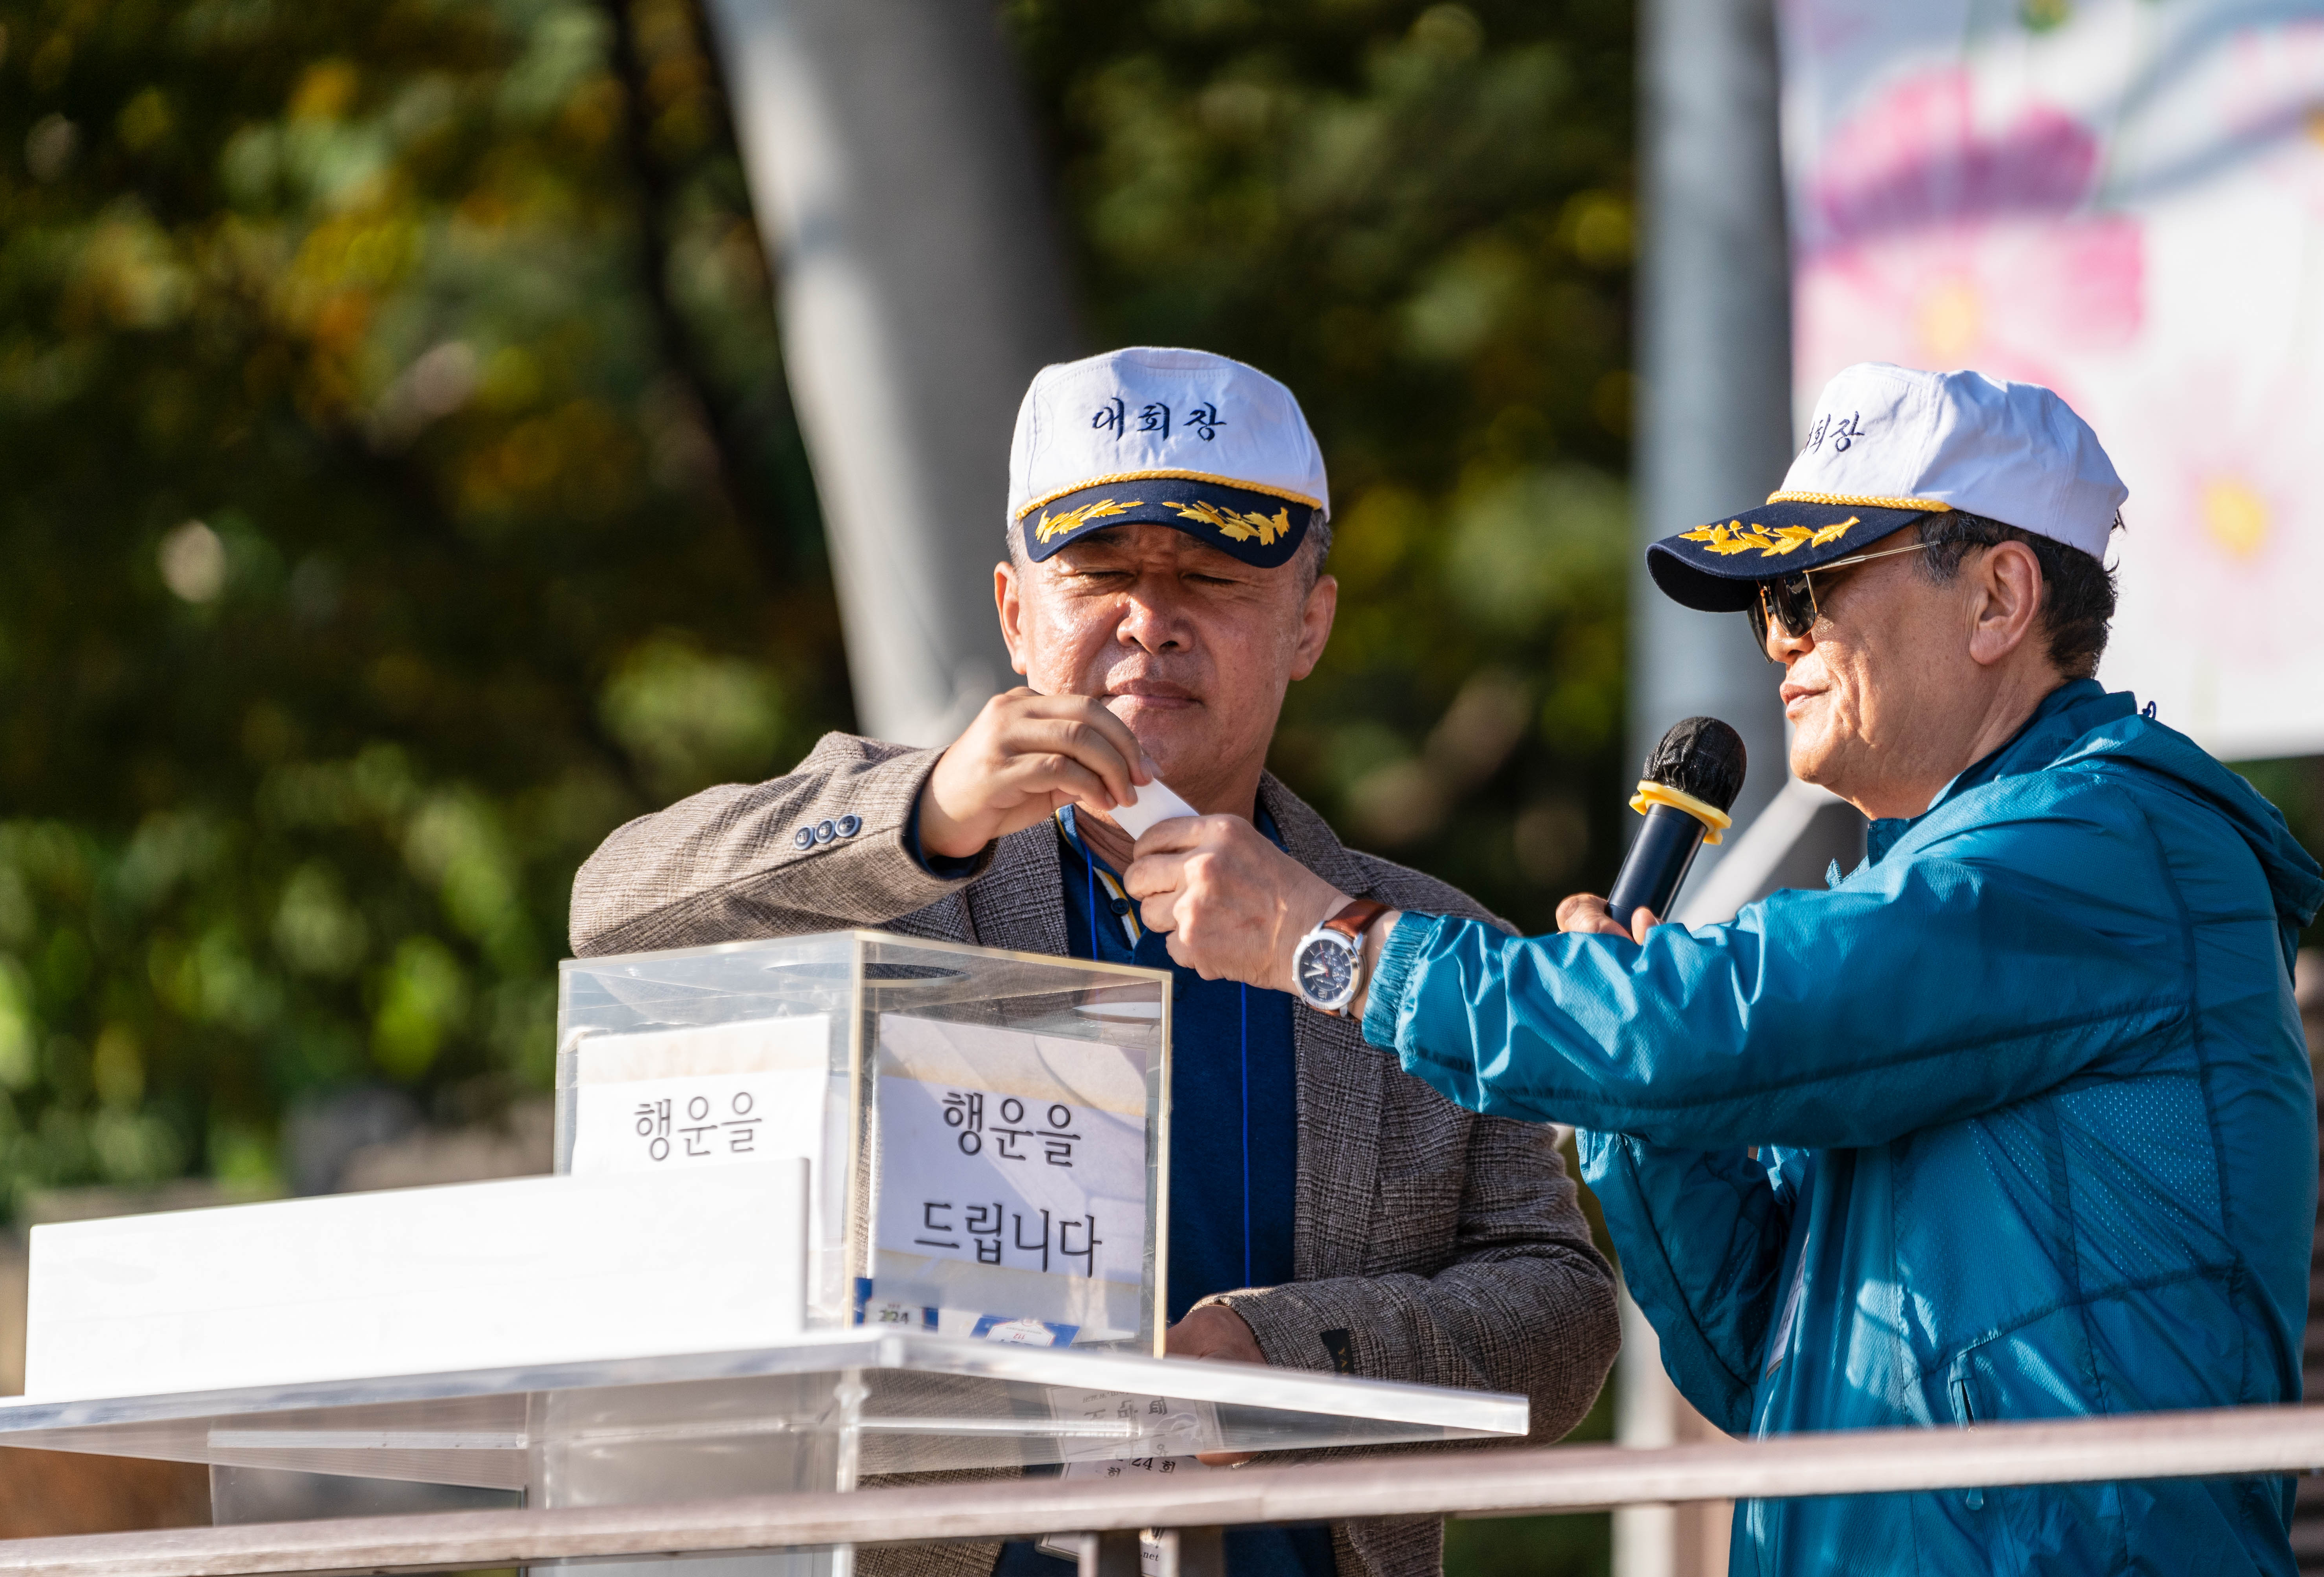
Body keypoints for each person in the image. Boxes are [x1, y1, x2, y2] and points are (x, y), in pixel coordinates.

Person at [1122, 363, 2324, 1575]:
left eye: (1813, 586)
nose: (1780, 634)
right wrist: (1639, 1104)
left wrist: (1335, 942)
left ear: (1999, 597)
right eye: (1765, 602)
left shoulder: (2108, 844)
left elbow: (1721, 1020)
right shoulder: (1954, 892)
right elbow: (1761, 1360)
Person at [567, 346, 1619, 1577]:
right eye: (1100, 573)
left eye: (1216, 577)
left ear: (1310, 624)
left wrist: (1289, 1357)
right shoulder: (896, 861)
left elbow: (1562, 1316)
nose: (1150, 620)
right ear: (1017, 615)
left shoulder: (1417, 948)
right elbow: (612, 912)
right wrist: (929, 813)